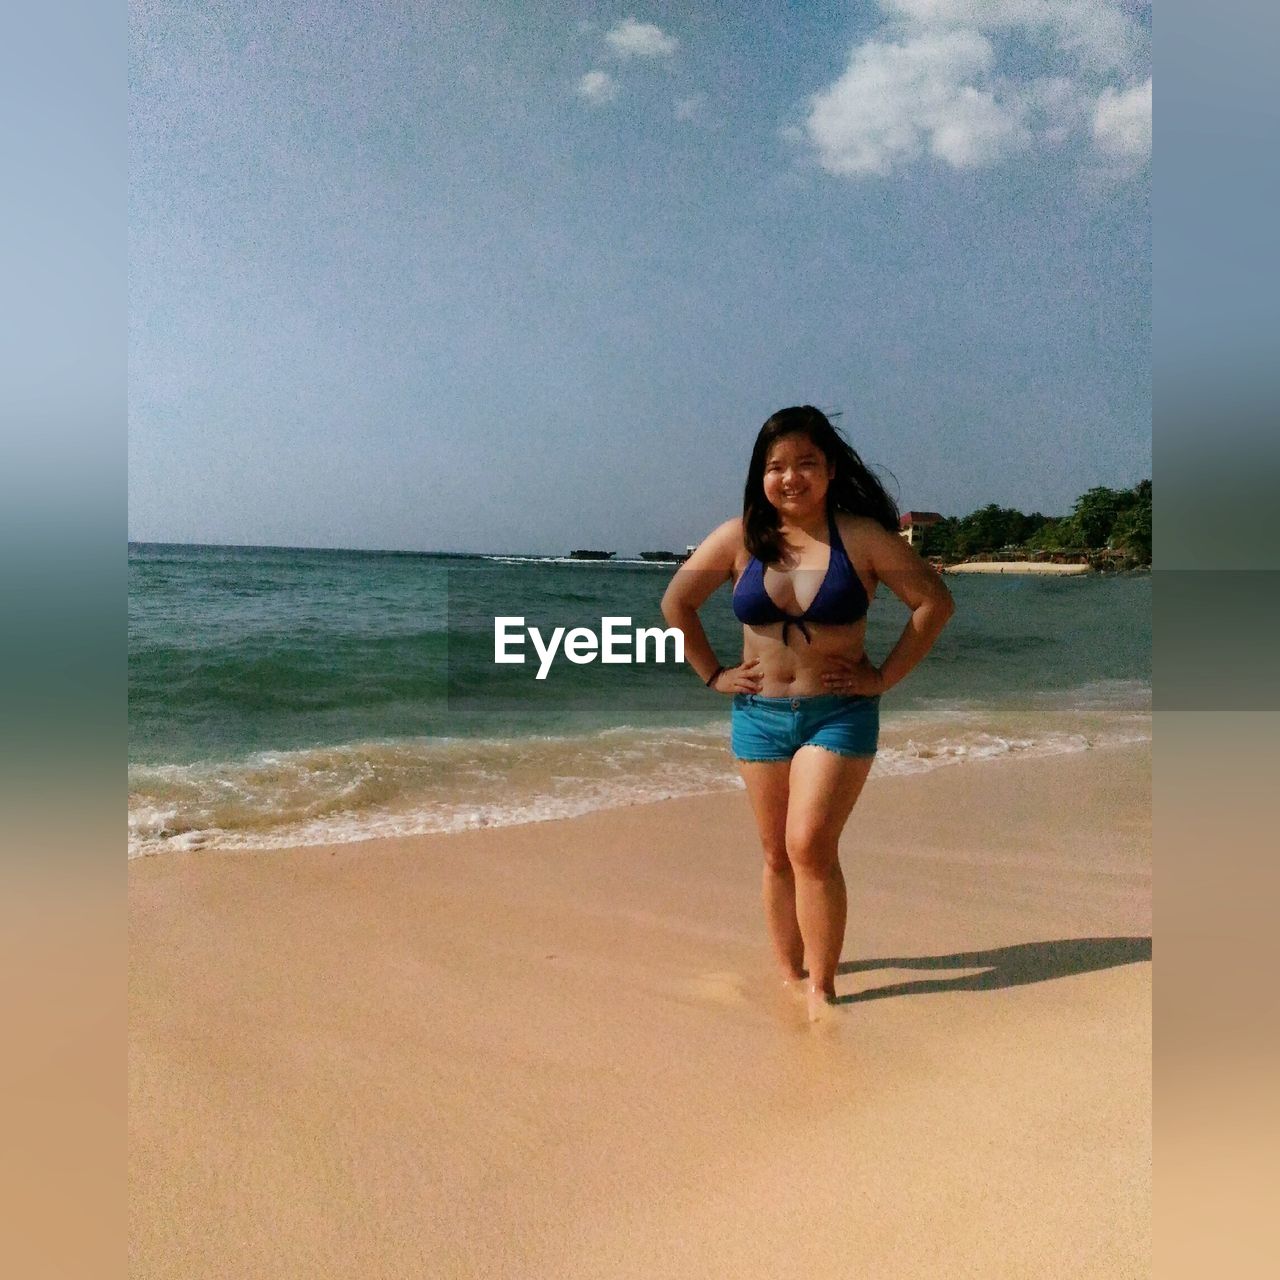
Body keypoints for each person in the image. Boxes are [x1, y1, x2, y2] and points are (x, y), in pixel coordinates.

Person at [660, 406, 955, 1021]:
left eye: (805, 464)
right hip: (758, 715)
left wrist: (883, 677)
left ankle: (823, 990)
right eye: (775, 467)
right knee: (775, 855)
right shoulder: (742, 537)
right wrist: (714, 674)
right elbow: (677, 602)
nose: (789, 478)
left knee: (809, 846)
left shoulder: (863, 537)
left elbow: (932, 602)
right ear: (759, 476)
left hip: (839, 715)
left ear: (830, 468)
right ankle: (789, 977)